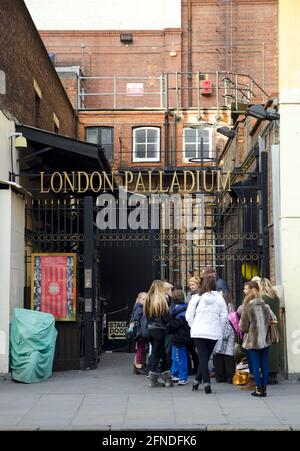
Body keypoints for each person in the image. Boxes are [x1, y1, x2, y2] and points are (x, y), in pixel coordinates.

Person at [186, 276, 228, 394]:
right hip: (213, 333)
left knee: (203, 358)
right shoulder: (219, 298)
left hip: (199, 332)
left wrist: (193, 326)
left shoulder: (196, 298)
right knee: (205, 357)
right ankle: (203, 382)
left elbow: (188, 315)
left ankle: (202, 381)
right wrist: (219, 327)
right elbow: (224, 315)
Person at [239, 287, 277, 397]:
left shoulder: (248, 307)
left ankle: (258, 390)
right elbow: (273, 319)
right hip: (265, 339)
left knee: (255, 365)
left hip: (253, 340)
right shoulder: (266, 306)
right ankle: (264, 390)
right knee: (264, 364)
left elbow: (243, 327)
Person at [144, 280, 173, 388]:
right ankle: (153, 378)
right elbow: (166, 318)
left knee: (162, 353)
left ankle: (167, 379)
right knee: (157, 354)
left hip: (150, 329)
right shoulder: (162, 300)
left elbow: (146, 315)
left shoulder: (147, 299)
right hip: (160, 330)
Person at [236, 280, 260, 390]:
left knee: (252, 359)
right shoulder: (259, 302)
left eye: (246, 289)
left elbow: (243, 324)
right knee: (253, 359)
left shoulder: (249, 303)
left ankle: (254, 381)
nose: (244, 291)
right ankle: (257, 381)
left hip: (250, 335)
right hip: (257, 335)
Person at [258, 278, 280, 384]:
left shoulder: (263, 298)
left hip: (267, 327)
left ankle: (268, 375)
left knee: (268, 351)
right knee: (275, 350)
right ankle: (274, 374)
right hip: (276, 327)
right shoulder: (276, 297)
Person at [167, 290, 190, 385]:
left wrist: (167, 328)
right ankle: (175, 374)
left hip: (178, 337)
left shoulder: (177, 311)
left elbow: (175, 325)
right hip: (182, 336)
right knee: (176, 356)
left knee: (178, 357)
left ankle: (183, 377)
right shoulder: (184, 309)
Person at [213, 297, 236, 383]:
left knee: (223, 355)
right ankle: (225, 376)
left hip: (222, 332)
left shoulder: (227, 307)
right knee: (225, 355)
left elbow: (230, 319)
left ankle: (223, 376)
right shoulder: (228, 306)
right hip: (221, 332)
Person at [129, 292, 148, 375]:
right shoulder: (139, 308)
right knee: (140, 348)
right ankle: (138, 365)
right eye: (143, 299)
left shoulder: (138, 307)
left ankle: (140, 365)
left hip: (139, 331)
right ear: (139, 299)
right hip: (139, 331)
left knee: (141, 348)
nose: (145, 301)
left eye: (146, 299)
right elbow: (135, 319)